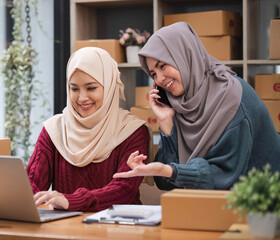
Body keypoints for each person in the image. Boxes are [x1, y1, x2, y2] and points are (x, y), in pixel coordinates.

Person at [114, 22, 280, 190]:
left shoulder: (233, 98)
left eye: (163, 66)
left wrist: (171, 171)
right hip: (216, 204)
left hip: (263, 204)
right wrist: (166, 124)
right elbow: (165, 183)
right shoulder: (179, 104)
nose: (160, 79)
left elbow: (224, 177)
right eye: (153, 74)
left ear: (184, 55)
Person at [26, 47, 153, 211]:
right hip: (65, 228)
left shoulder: (132, 131)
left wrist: (72, 201)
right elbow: (31, 183)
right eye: (74, 88)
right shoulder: (54, 130)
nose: (82, 98)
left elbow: (124, 191)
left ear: (109, 87)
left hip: (118, 229)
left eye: (91, 88)